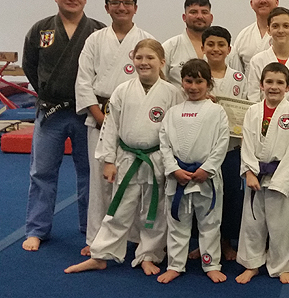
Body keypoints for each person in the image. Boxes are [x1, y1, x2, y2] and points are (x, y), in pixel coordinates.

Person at [64, 39, 182, 275]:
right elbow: (110, 127)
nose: (144, 62)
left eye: (150, 58)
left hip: (157, 160)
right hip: (127, 158)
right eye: (139, 57)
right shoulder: (122, 90)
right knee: (118, 209)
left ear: (162, 62)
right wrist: (108, 160)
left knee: (155, 211)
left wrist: (174, 163)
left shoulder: (172, 93)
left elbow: (177, 129)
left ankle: (149, 255)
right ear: (132, 60)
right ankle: (100, 254)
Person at [21, 0, 106, 252]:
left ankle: (91, 227)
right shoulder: (41, 29)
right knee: (42, 172)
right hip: (51, 111)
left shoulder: (98, 30)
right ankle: (36, 229)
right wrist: (47, 91)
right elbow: (30, 65)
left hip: (87, 112)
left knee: (90, 172)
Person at [75, 0, 154, 256]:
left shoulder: (146, 39)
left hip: (135, 120)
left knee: (135, 180)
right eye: (116, 3)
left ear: (135, 8)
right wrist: (100, 118)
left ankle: (134, 237)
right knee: (100, 181)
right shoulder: (94, 40)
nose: (122, 7)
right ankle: (96, 238)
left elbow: (153, 81)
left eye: (127, 3)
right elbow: (83, 82)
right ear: (107, 7)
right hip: (99, 115)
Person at [157, 59, 229, 284]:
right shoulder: (173, 112)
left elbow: (222, 143)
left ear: (209, 83)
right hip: (178, 177)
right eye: (189, 81)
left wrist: (207, 168)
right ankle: (175, 265)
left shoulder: (217, 111)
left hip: (205, 177)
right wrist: (173, 169)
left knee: (210, 223)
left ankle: (211, 263)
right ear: (182, 82)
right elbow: (164, 144)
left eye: (199, 82)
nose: (194, 87)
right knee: (177, 223)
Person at [235, 63, 289, 285]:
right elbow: (246, 143)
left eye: (280, 82)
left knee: (281, 225)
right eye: (269, 82)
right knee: (252, 223)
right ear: (261, 85)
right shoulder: (252, 111)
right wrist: (249, 172)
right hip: (256, 175)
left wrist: (282, 182)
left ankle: (281, 266)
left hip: (280, 176)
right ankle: (252, 264)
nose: (274, 87)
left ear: (288, 87)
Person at [201, 25, 247, 261]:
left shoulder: (238, 78)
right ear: (203, 47)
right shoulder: (197, 75)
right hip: (202, 148)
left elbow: (248, 109)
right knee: (201, 196)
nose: (216, 49)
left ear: (229, 49)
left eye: (221, 45)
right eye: (210, 44)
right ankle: (201, 242)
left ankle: (226, 241)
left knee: (230, 195)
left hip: (231, 147)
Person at [247, 7, 289, 123]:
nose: (281, 30)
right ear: (268, 30)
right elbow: (253, 98)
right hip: (263, 122)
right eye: (275, 26)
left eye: (286, 26)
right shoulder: (257, 61)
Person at [163, 0, 213, 86]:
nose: (199, 16)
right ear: (184, 17)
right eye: (193, 12)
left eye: (204, 12)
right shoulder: (169, 47)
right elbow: (160, 81)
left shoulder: (225, 50)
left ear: (211, 18)